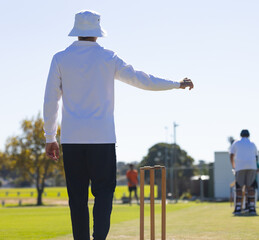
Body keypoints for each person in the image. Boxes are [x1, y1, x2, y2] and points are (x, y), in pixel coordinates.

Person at [43, 10, 194, 240]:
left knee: (77, 197)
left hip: (72, 140)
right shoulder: (108, 57)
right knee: (104, 193)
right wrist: (176, 84)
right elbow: (142, 79)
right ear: (97, 32)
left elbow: (50, 99)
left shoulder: (60, 58)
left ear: (76, 31)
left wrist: (50, 137)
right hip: (102, 138)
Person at [230, 129, 258, 215]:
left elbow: (231, 155)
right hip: (252, 167)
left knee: (239, 187)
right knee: (250, 187)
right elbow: (256, 157)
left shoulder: (236, 143)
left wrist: (233, 166)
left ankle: (238, 207)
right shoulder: (253, 144)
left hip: (240, 167)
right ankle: (252, 207)